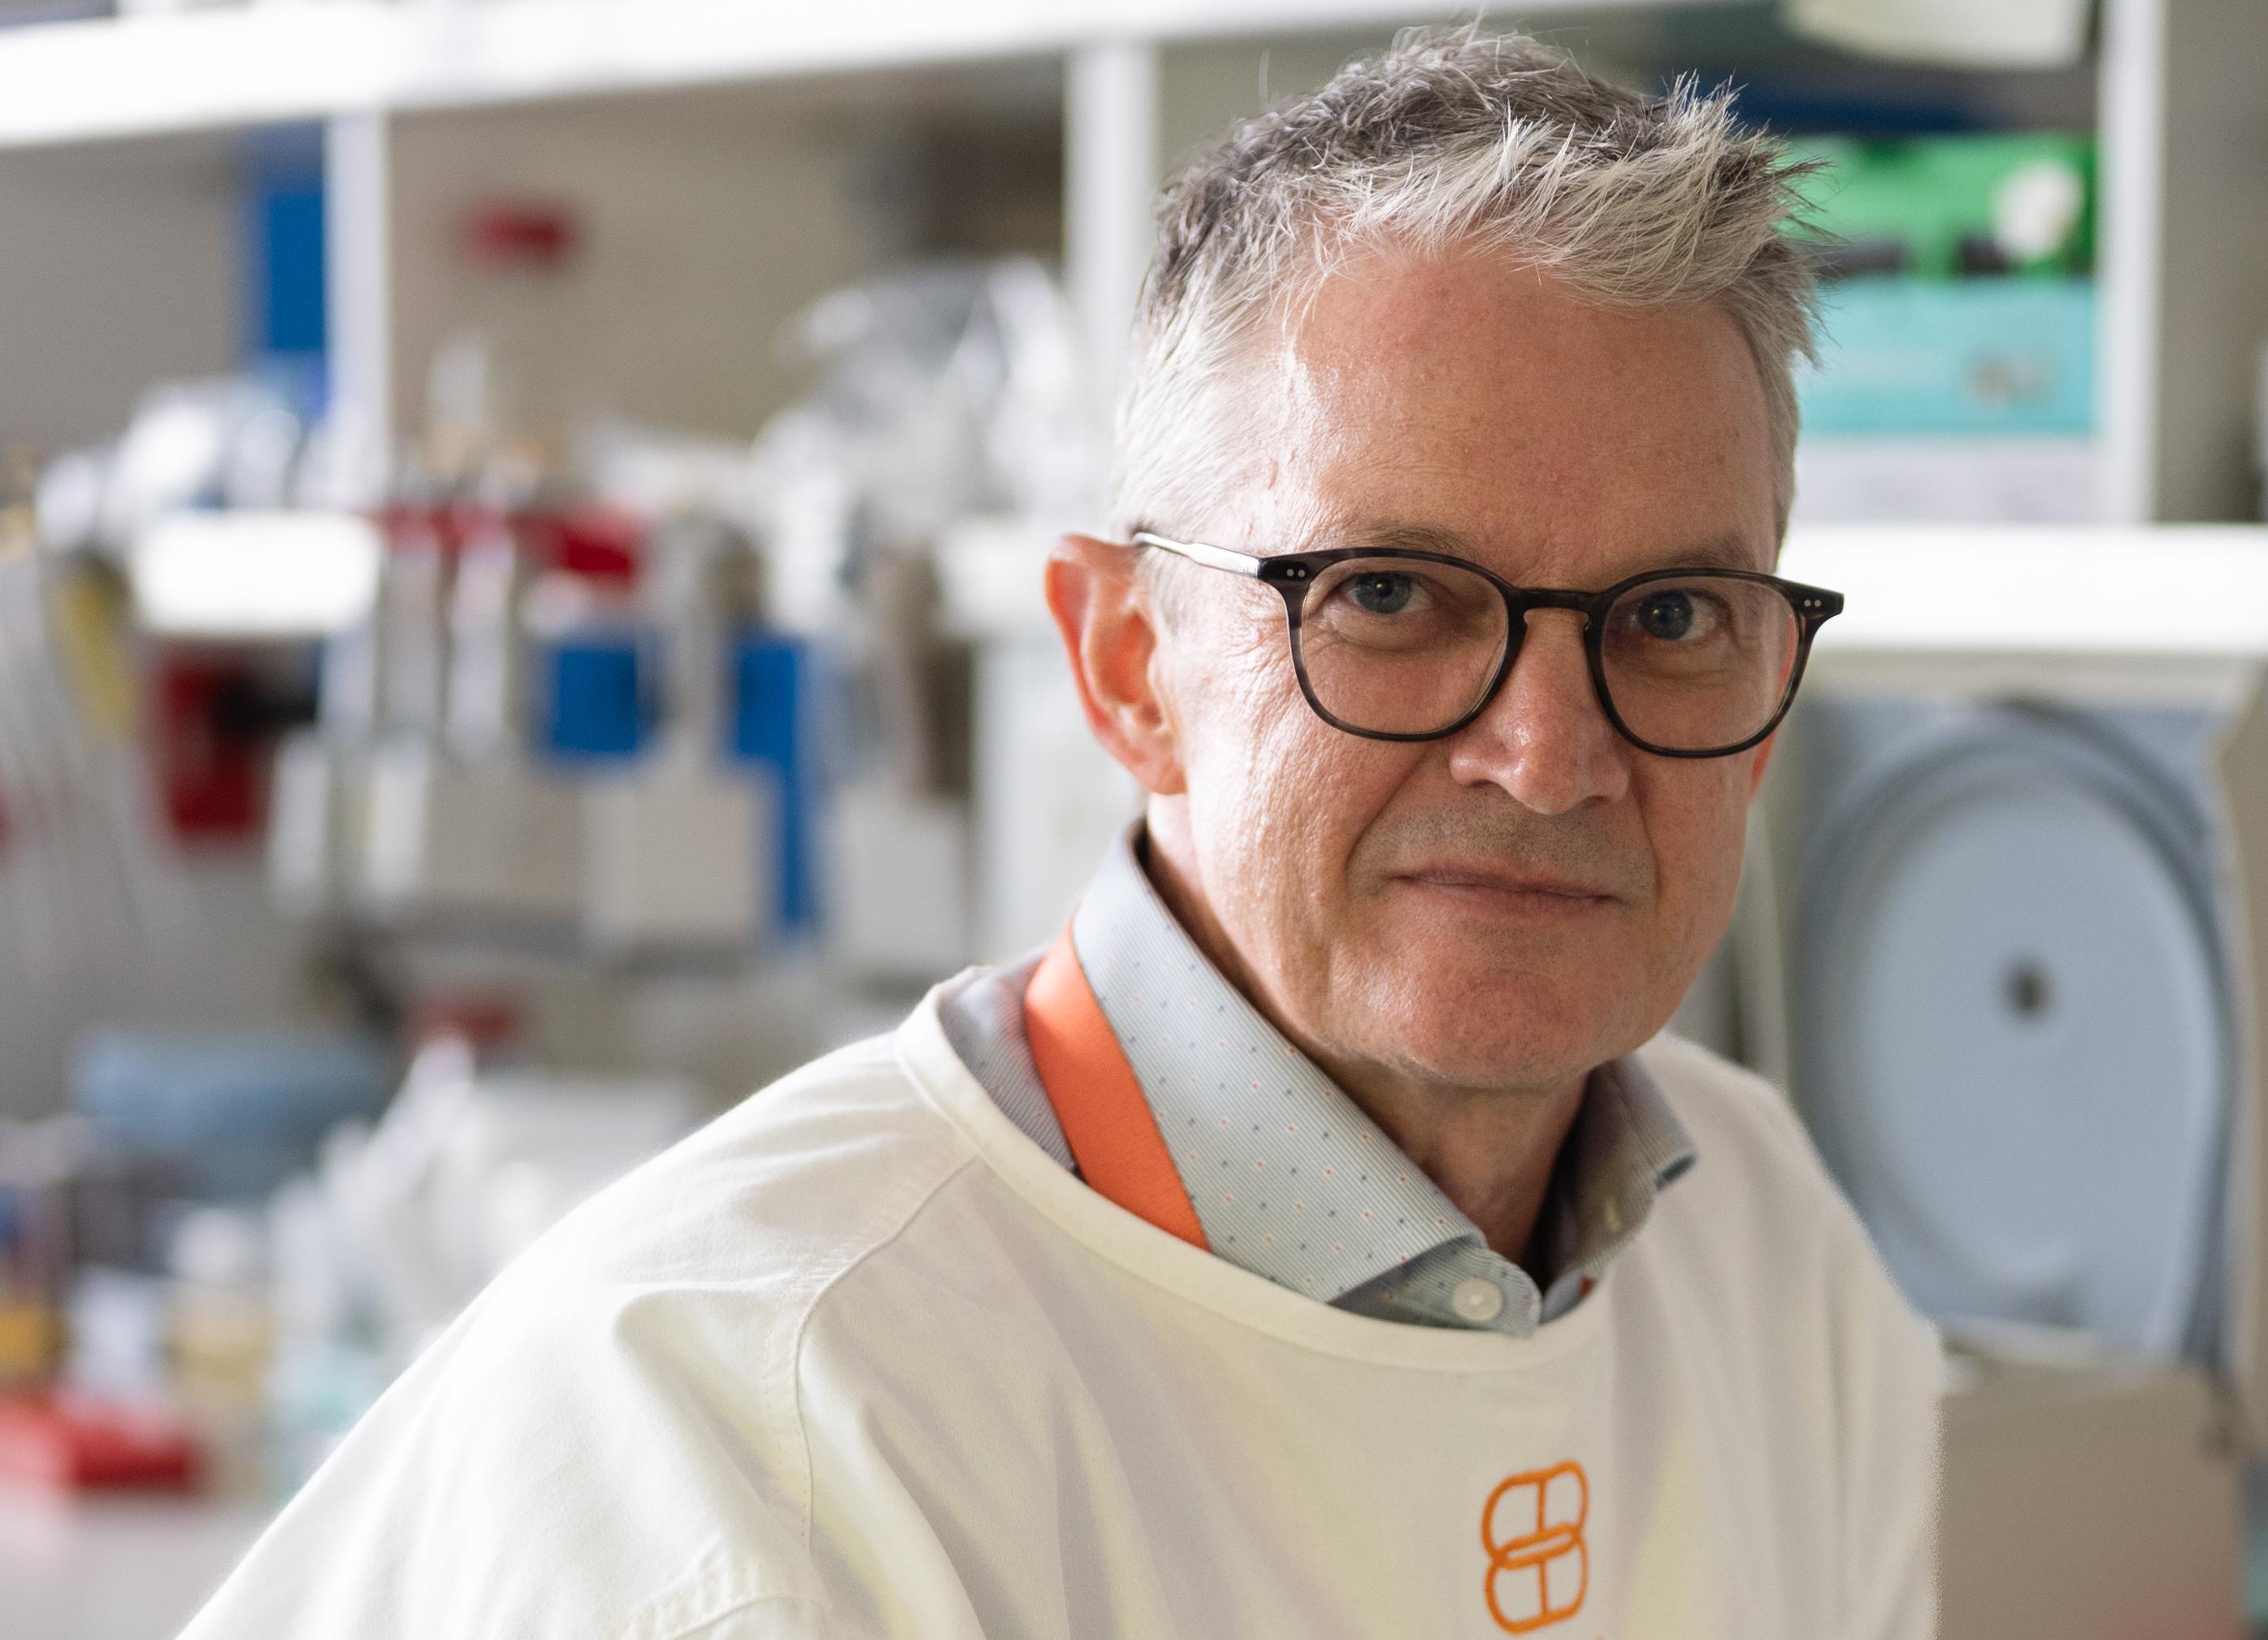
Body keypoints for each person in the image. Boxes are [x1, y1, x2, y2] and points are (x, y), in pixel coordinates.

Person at [184, 27, 1939, 1640]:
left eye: (1674, 617)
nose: (1550, 754)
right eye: (1391, 593)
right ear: (1127, 668)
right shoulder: (751, 1423)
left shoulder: (1769, 1251)